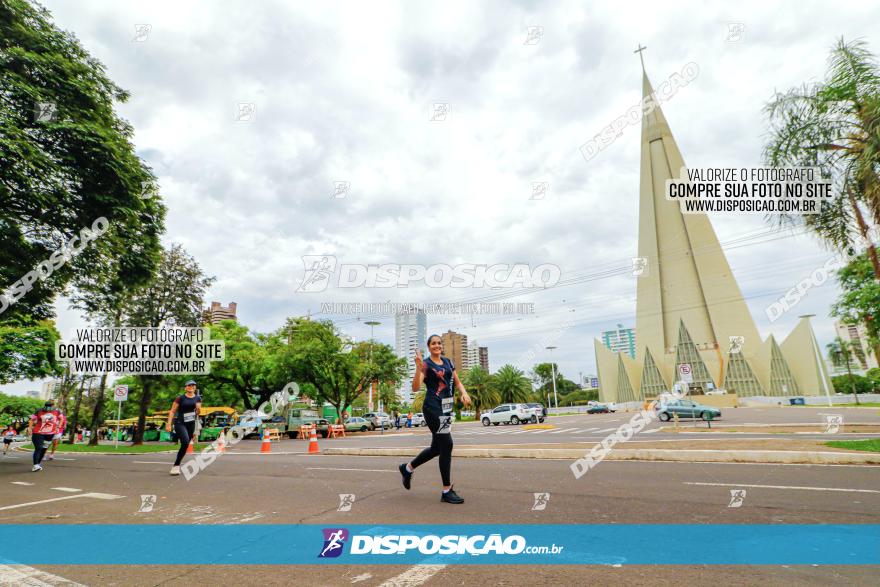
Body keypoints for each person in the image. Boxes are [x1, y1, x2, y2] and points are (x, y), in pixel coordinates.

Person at [398, 334, 471, 504]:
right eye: (433, 343)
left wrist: (464, 393)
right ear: (429, 346)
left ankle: (407, 469)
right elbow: (415, 388)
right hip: (432, 407)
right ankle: (446, 490)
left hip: (445, 408)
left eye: (439, 343)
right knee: (447, 444)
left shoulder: (448, 362)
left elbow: (457, 382)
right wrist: (417, 368)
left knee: (437, 448)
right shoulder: (426, 364)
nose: (437, 345)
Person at [165, 380, 202, 476]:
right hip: (180, 423)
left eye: (193, 385)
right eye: (189, 385)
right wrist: (169, 424)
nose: (191, 387)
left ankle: (177, 464)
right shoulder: (180, 398)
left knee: (185, 445)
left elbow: (198, 413)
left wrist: (198, 409)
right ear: (185, 388)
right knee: (185, 441)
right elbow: (172, 411)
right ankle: (176, 466)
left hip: (191, 423)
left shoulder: (198, 398)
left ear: (195, 388)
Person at [28, 400, 63, 472]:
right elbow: (31, 420)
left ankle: (37, 464)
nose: (48, 408)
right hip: (38, 432)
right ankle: (35, 465)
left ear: (53, 406)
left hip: (50, 434)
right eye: (47, 406)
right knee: (39, 448)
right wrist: (29, 428)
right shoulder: (39, 410)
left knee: (44, 449)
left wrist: (58, 427)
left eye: (50, 406)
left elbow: (61, 419)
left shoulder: (57, 411)